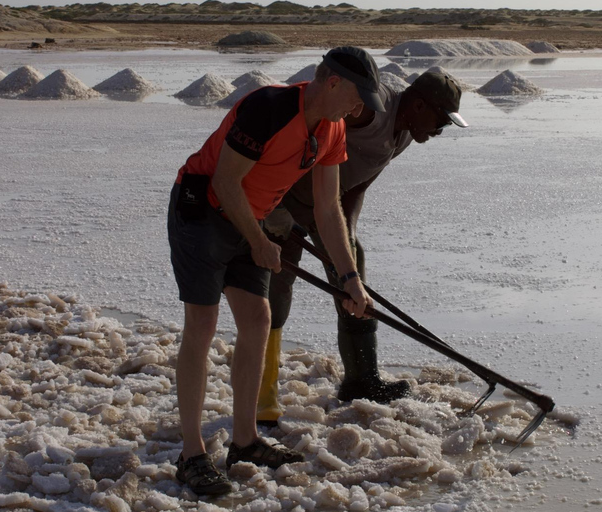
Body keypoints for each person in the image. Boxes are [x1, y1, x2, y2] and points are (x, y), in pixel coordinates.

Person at [167, 46, 383, 496]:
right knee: (202, 323)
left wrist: (349, 278)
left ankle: (244, 442)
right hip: (202, 211)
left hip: (252, 217)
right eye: (357, 96)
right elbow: (225, 182)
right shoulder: (267, 107)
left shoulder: (334, 127)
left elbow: (328, 209)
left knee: (258, 319)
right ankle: (191, 455)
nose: (359, 108)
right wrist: (261, 242)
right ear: (332, 82)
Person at [256, 71, 468, 426]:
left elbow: (355, 187)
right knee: (278, 284)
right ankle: (262, 397)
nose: (439, 131)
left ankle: (361, 380)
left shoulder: (403, 136)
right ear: (417, 105)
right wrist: (272, 203)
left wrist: (347, 237)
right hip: (281, 199)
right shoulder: (372, 110)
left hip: (324, 204)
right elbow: (307, 117)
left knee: (354, 271)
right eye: (440, 121)